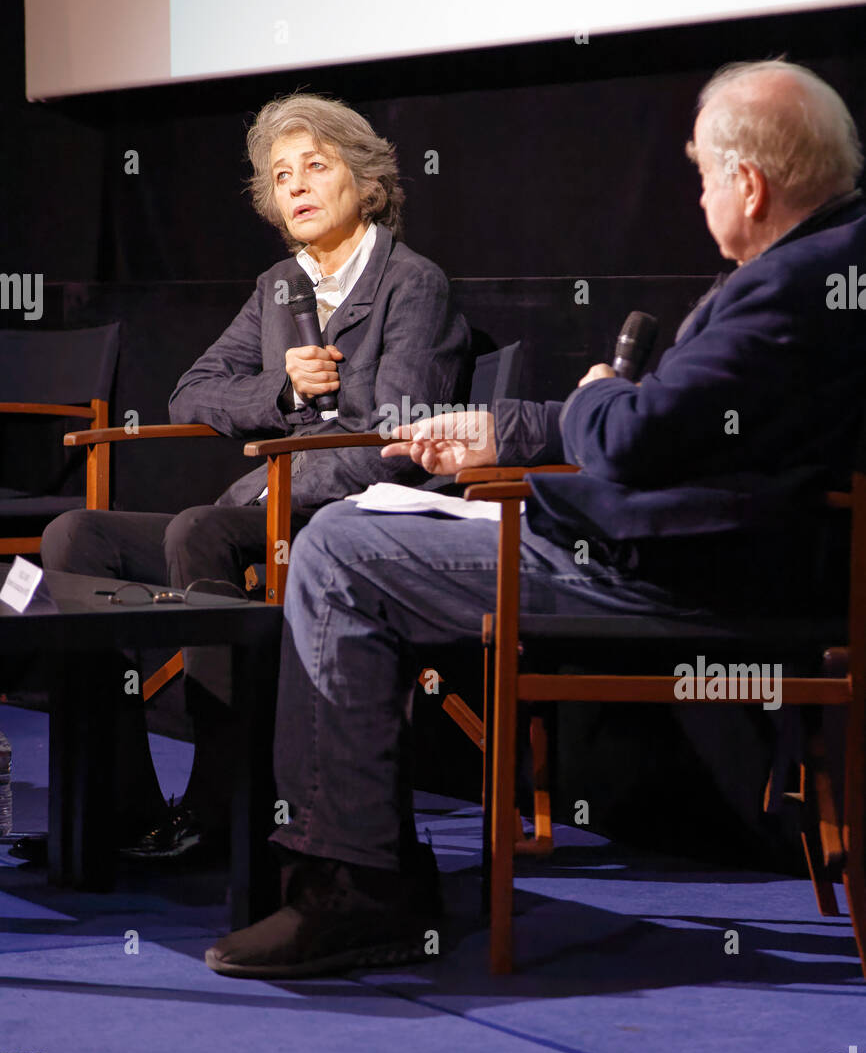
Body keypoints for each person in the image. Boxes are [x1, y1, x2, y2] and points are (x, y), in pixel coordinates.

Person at [205, 59, 866, 979]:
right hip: (659, 548)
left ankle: (357, 887)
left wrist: (606, 392)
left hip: (664, 574)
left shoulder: (798, 286)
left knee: (340, 550)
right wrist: (499, 430)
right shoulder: (823, 264)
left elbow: (636, 431)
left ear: (748, 184)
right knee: (353, 539)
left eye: (706, 175)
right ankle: (362, 861)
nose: (704, 193)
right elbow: (650, 426)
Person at [41, 92, 471, 856]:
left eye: (316, 166)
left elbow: (395, 439)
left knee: (200, 528)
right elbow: (192, 390)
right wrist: (281, 390)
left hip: (346, 523)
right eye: (281, 175)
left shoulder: (413, 285)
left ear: (364, 182)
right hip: (258, 510)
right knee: (77, 535)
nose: (297, 186)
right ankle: (116, 807)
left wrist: (272, 483)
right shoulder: (281, 285)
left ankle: (219, 811)